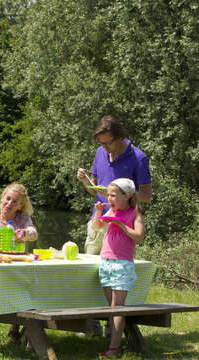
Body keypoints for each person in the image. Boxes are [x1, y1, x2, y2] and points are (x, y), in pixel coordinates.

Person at [76, 115, 152, 256]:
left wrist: (120, 196)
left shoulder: (138, 158)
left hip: (120, 227)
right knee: (89, 273)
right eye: (101, 144)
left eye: (108, 143)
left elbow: (147, 196)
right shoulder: (100, 152)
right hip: (98, 222)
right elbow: (96, 190)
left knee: (116, 271)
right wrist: (86, 182)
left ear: (119, 137)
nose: (104, 148)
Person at [91, 178, 145, 358]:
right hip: (106, 262)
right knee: (111, 308)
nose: (110, 198)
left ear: (127, 195)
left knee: (117, 308)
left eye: (113, 195)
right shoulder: (111, 210)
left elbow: (138, 236)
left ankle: (114, 348)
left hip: (122, 265)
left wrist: (121, 224)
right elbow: (97, 226)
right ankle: (115, 343)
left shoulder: (134, 213)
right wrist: (99, 211)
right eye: (109, 195)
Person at [0, 183, 38, 345]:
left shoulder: (23, 219)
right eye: (8, 199)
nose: (10, 204)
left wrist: (23, 233)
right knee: (14, 288)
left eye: (15, 202)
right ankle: (18, 329)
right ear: (2, 197)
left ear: (21, 205)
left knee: (29, 287)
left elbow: (34, 234)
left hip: (19, 266)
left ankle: (22, 330)